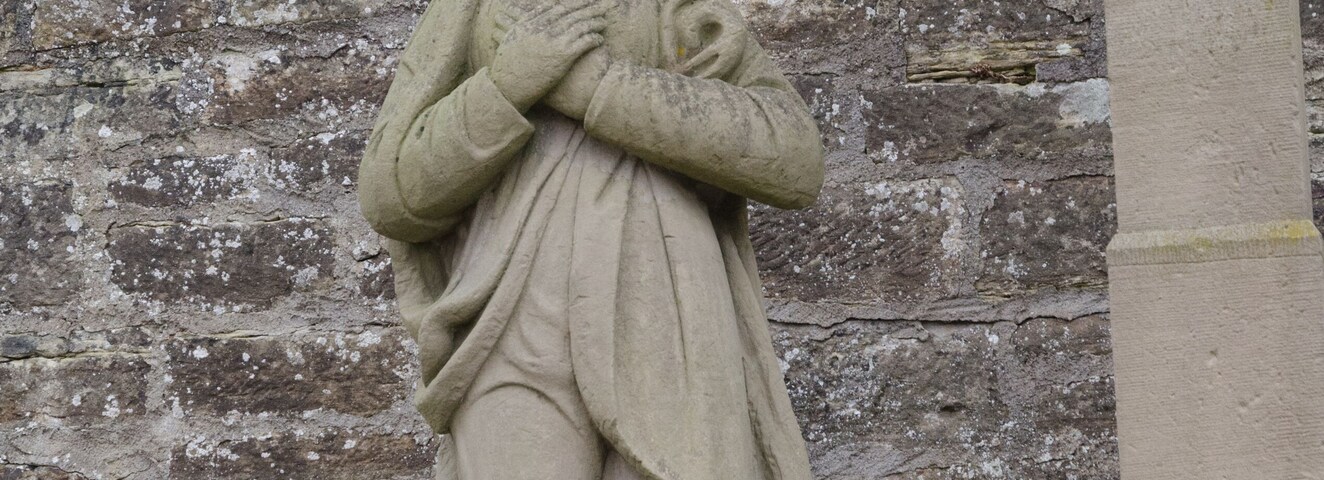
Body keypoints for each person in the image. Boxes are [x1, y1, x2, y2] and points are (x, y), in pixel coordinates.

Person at [357, 0, 824, 476]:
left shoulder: (672, 10)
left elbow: (794, 157)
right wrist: (506, 87)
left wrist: (598, 86)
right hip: (509, 319)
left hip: (668, 319)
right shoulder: (468, 11)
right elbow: (389, 192)